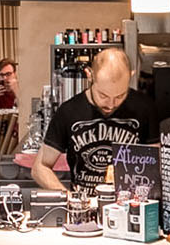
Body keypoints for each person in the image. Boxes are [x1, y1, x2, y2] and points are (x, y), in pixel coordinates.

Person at [31, 48, 158, 191]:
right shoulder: (68, 111)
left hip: (131, 206)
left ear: (131, 76)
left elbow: (156, 164)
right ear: (89, 75)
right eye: (103, 96)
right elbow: (40, 168)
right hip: (84, 205)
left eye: (120, 96)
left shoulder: (145, 108)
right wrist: (69, 198)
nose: (111, 105)